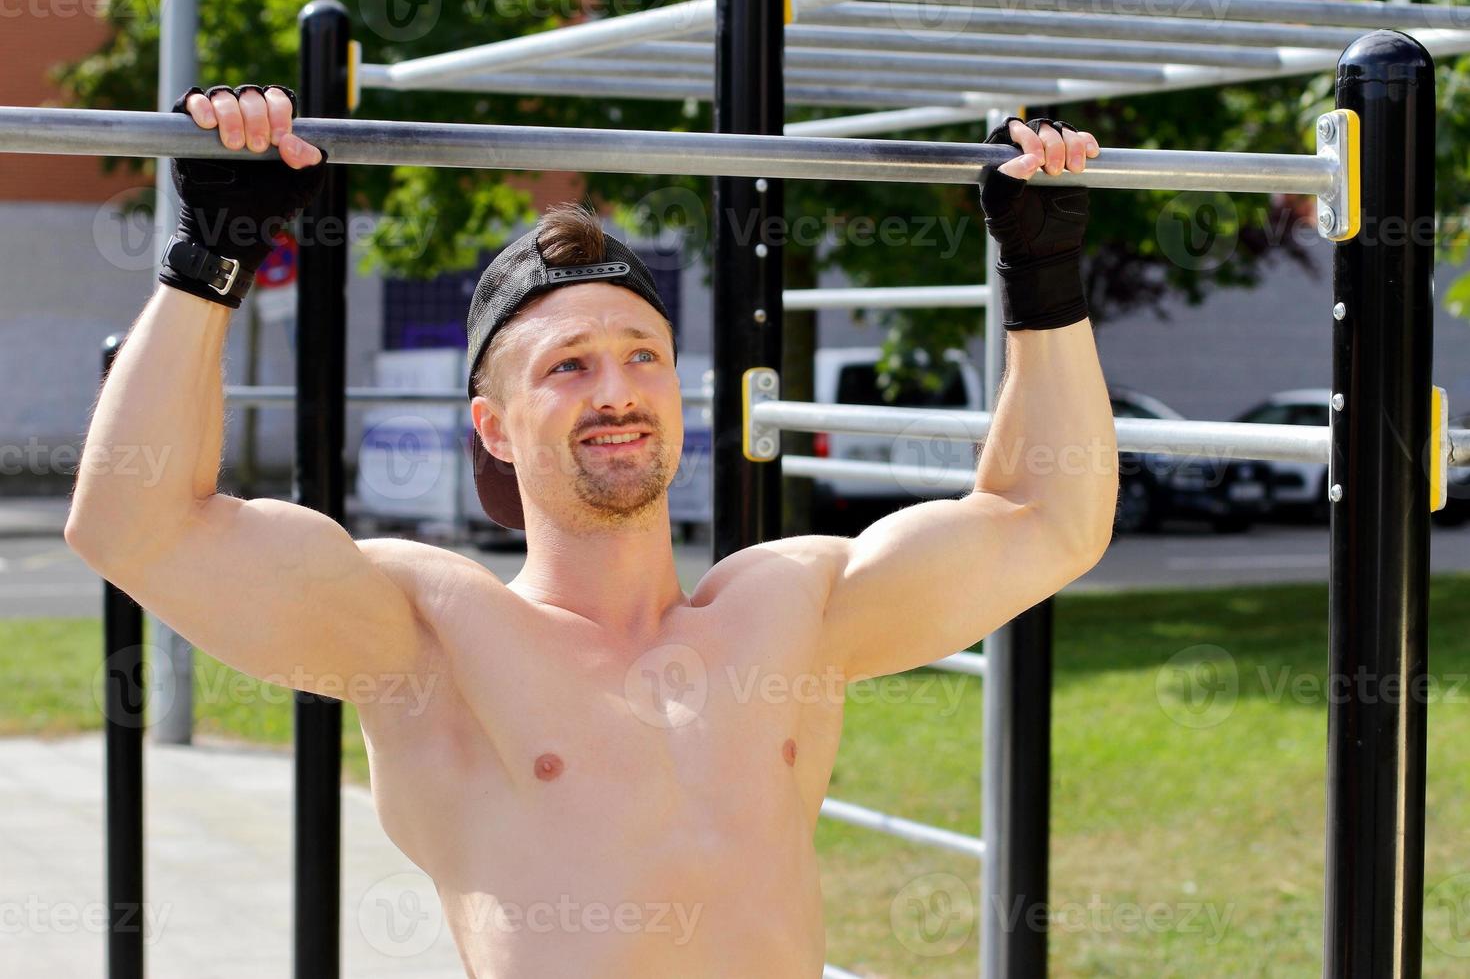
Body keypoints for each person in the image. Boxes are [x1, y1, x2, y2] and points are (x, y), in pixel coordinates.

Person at [65, 83, 1117, 976]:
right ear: (494, 424)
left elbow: (1049, 516)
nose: (616, 389)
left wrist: (1043, 276)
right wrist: (213, 255)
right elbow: (135, 524)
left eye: (642, 355)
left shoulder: (790, 608)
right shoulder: (434, 641)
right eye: (568, 365)